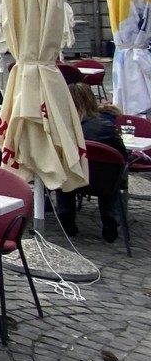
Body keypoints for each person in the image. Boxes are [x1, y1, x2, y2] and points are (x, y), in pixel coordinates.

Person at [59, 82, 125, 242]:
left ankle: (65, 213)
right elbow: (122, 156)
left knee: (64, 169)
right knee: (111, 172)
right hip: (104, 182)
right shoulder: (106, 126)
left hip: (73, 178)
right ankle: (110, 220)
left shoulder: (62, 128)